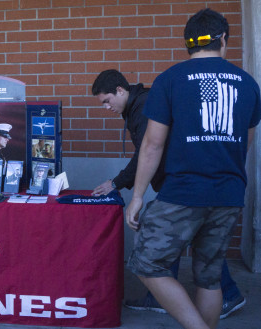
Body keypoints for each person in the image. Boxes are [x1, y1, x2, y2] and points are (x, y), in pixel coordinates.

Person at [126, 8, 260, 329]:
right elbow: (245, 142)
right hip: (228, 193)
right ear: (223, 38)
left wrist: (137, 196)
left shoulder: (170, 79)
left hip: (182, 193)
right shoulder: (247, 83)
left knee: (146, 263)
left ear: (188, 42)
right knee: (209, 275)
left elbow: (153, 145)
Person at [91, 69, 245, 319]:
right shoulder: (138, 104)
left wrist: (118, 183)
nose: (106, 107)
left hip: (181, 185)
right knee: (198, 245)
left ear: (120, 90)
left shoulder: (142, 106)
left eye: (107, 101)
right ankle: (220, 294)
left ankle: (226, 294)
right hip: (190, 183)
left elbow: (148, 150)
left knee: (158, 243)